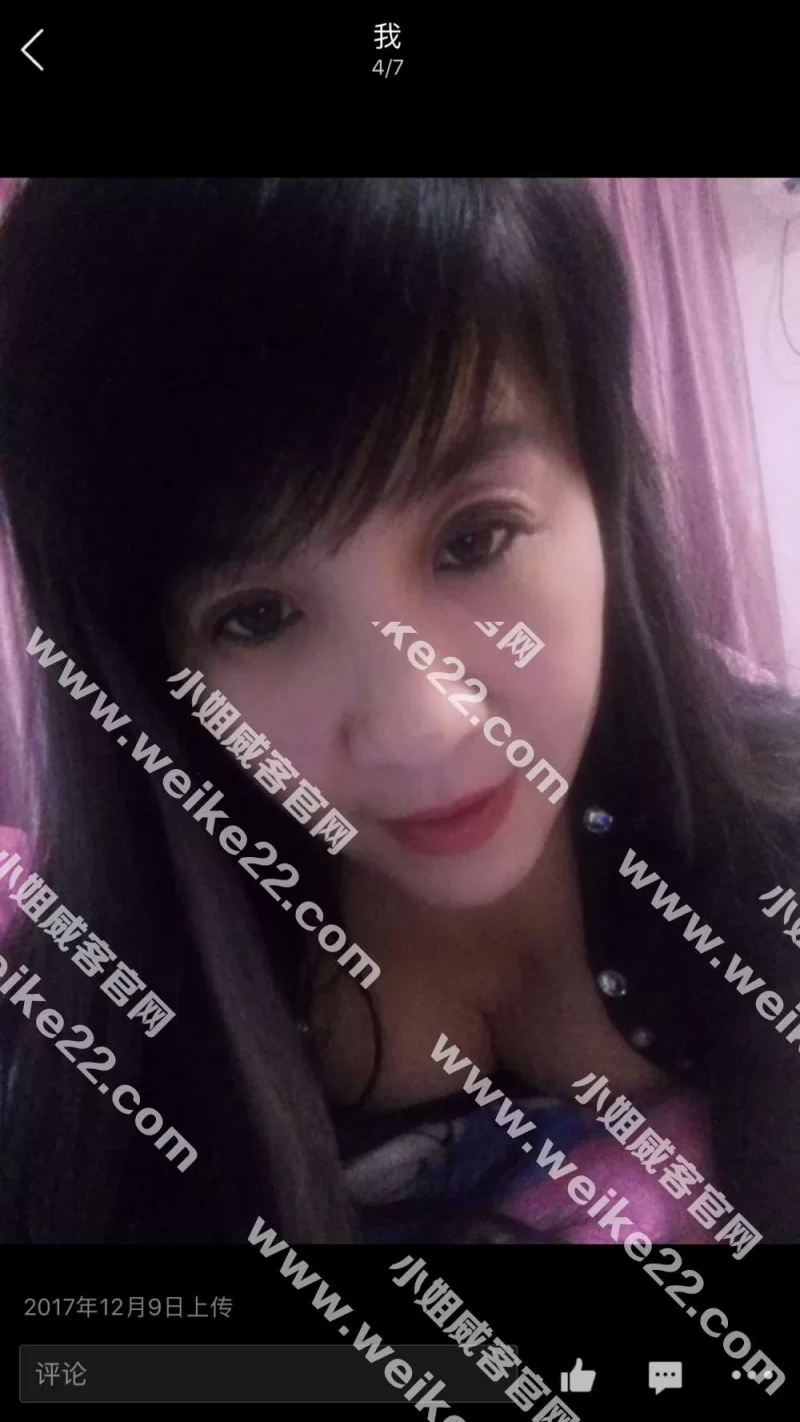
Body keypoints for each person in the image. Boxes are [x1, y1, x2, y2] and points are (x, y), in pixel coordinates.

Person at [0, 177, 798, 1247]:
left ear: (600, 484)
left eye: (474, 539)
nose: (422, 725)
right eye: (256, 616)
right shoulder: (95, 1052)